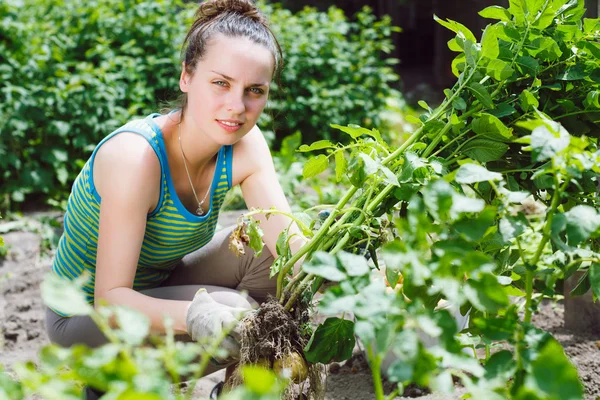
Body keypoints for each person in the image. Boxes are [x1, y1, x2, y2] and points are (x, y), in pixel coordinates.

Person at [44, 0, 304, 397]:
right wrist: (198, 315)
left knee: (272, 253)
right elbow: (110, 299)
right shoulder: (136, 158)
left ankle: (241, 390)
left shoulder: (245, 146)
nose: (237, 106)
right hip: (88, 317)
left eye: (255, 90)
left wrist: (367, 279)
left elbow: (293, 251)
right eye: (221, 83)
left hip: (160, 283)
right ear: (186, 77)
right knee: (242, 315)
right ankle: (106, 383)